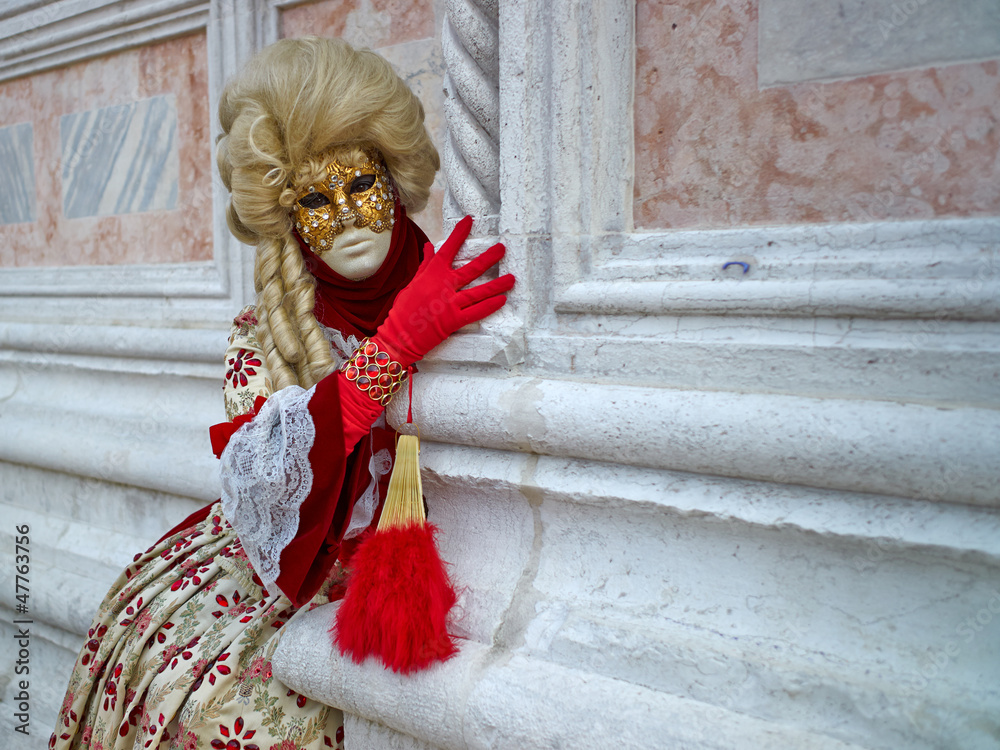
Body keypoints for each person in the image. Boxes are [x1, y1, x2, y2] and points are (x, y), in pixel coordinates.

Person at [50, 36, 514, 750]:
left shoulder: (465, 288)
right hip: (288, 585)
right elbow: (268, 491)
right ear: (286, 217)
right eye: (316, 200)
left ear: (394, 178)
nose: (350, 217)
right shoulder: (260, 338)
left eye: (362, 186)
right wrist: (390, 352)